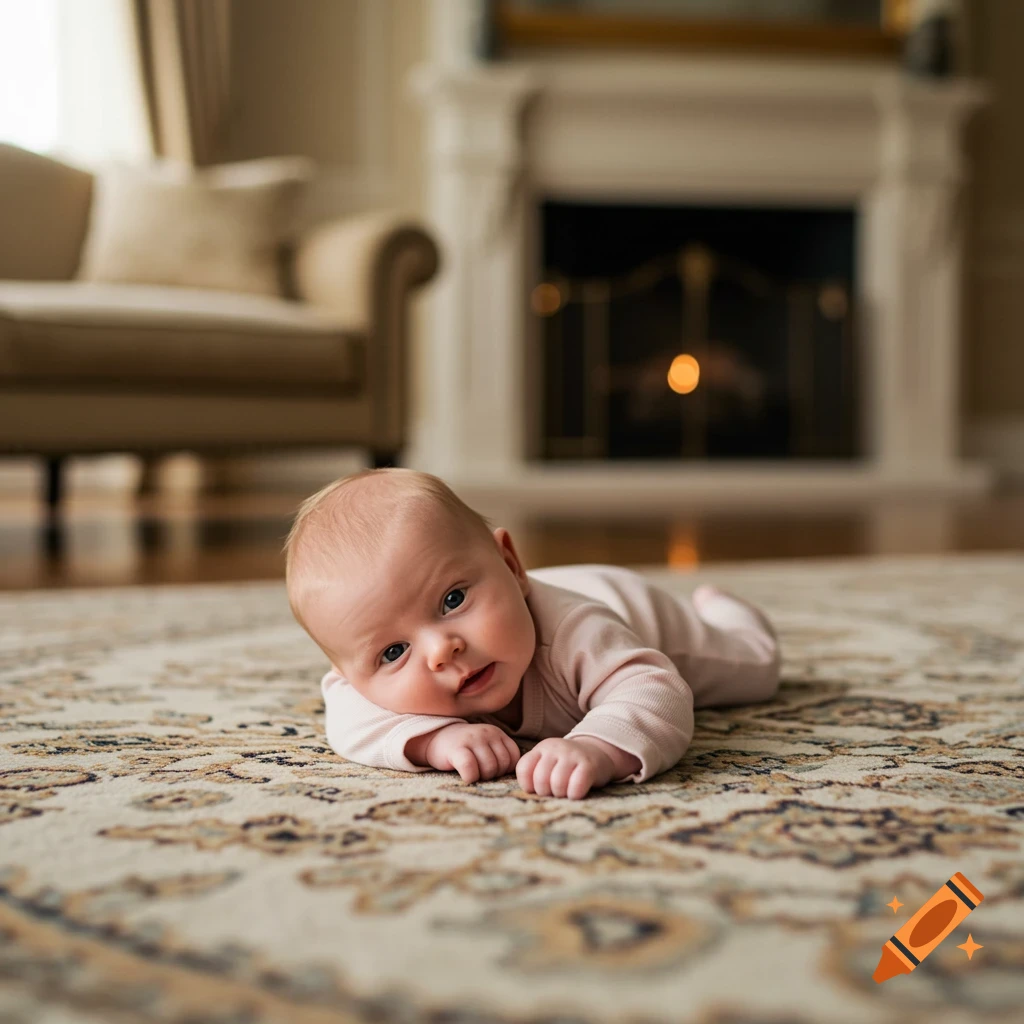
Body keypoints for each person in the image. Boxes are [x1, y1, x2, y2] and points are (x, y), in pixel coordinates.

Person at [284, 468, 781, 800]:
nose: (441, 650)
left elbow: (656, 688)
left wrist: (597, 747)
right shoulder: (359, 683)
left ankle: (726, 611)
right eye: (394, 651)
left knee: (756, 670)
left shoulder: (577, 632)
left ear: (510, 565)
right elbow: (347, 721)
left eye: (453, 600)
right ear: (347, 672)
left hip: (630, 609)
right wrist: (435, 741)